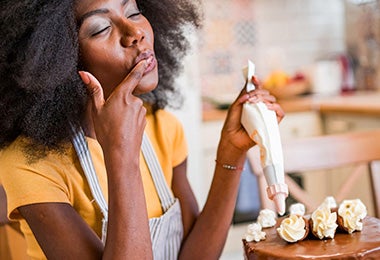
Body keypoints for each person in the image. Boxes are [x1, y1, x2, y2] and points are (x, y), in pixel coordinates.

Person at [0, 0, 285, 259]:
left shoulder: (164, 127)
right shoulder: (29, 163)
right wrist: (121, 156)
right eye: (101, 29)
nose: (134, 32)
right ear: (58, 58)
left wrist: (231, 150)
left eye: (134, 12)